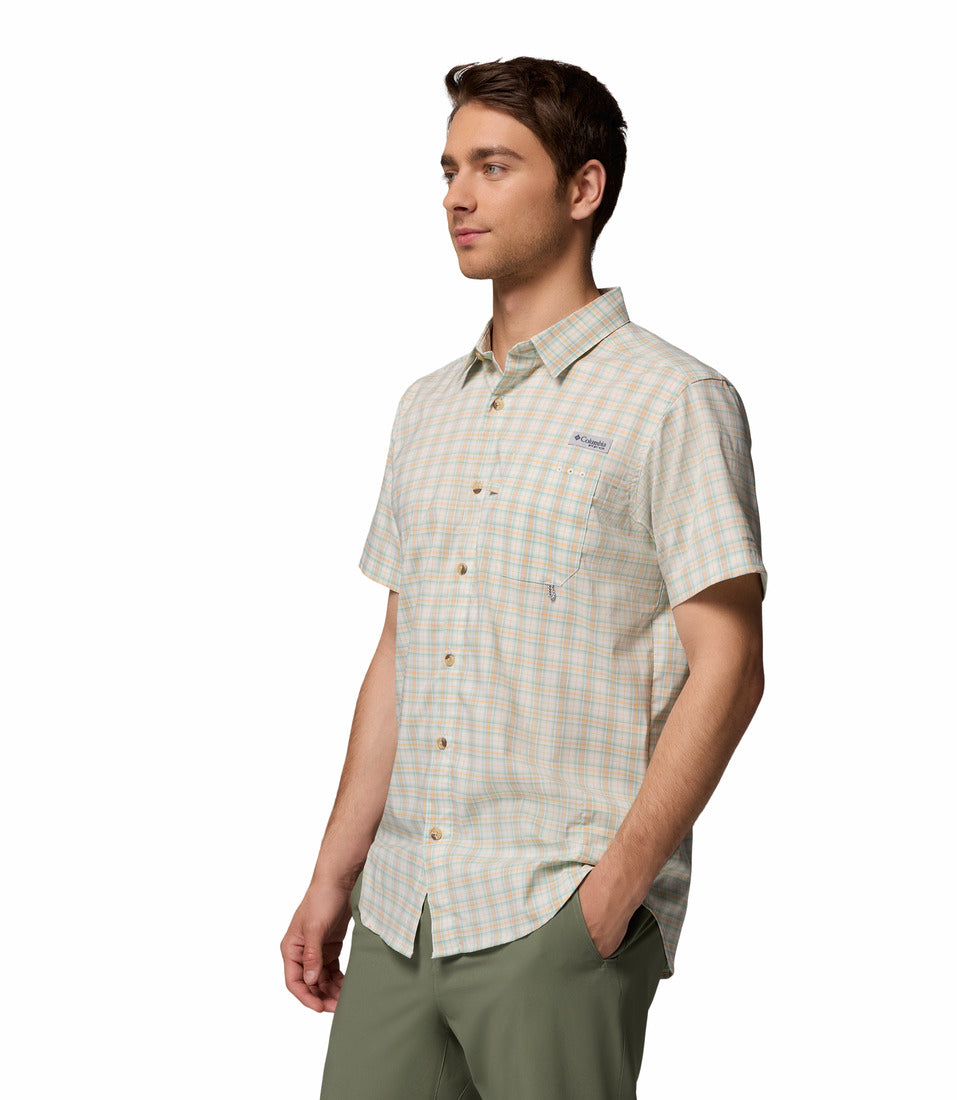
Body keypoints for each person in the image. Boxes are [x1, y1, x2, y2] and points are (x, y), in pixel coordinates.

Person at [281, 56, 768, 1099]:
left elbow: (729, 665)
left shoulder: (674, 400)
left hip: (555, 913)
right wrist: (332, 877)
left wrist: (612, 895)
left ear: (583, 188)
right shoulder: (426, 407)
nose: (457, 196)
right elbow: (400, 655)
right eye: (450, 168)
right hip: (401, 912)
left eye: (494, 166)